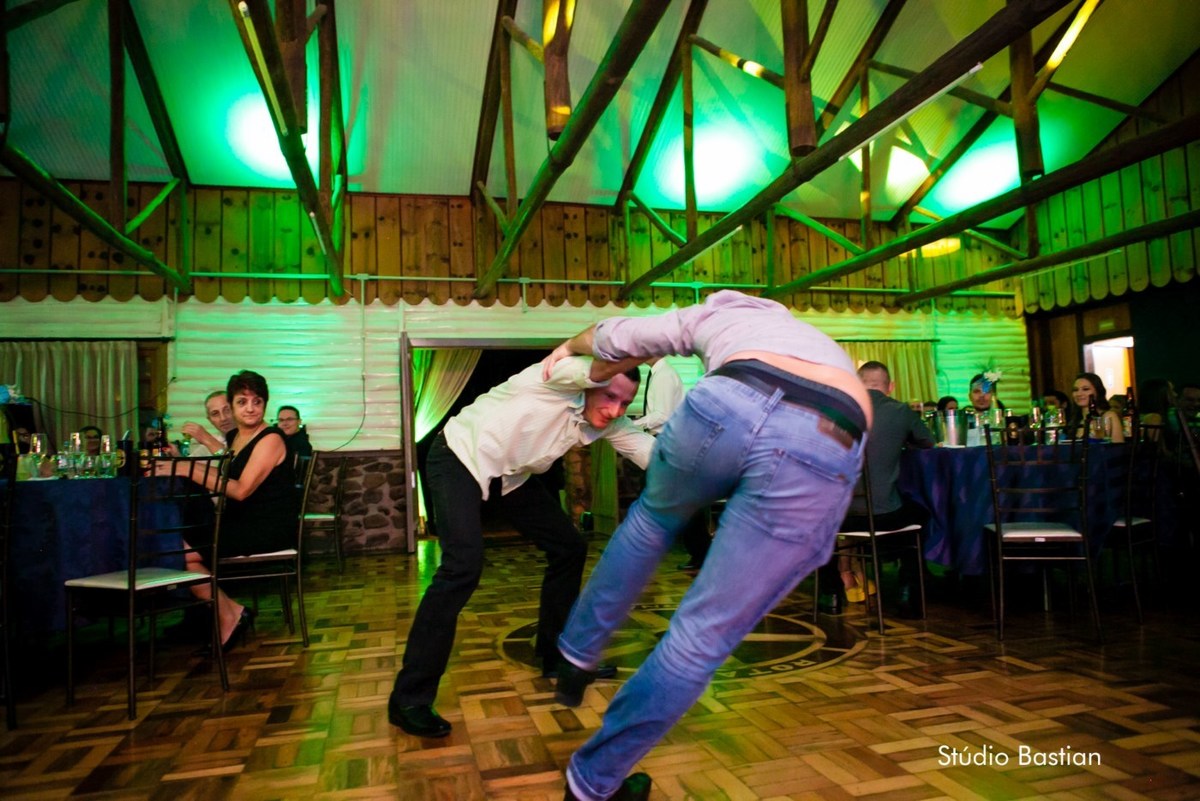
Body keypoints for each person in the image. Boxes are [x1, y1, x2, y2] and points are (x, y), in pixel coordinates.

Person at [543, 290, 870, 801]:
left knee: (651, 521)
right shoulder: (814, 340)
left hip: (727, 401)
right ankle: (590, 782)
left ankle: (576, 654)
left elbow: (615, 335)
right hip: (827, 430)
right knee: (702, 634)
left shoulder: (717, 315)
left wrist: (568, 347)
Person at [387, 355, 655, 739]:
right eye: (610, 396)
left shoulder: (607, 422)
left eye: (625, 402)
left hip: (509, 476)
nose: (615, 410)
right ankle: (409, 699)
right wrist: (647, 341)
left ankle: (554, 656)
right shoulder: (551, 380)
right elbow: (586, 363)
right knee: (462, 567)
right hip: (459, 457)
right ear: (589, 382)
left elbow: (652, 453)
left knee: (569, 547)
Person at [157, 370, 299, 650]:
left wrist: (186, 469)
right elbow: (225, 473)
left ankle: (228, 614)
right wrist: (181, 465)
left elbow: (240, 490)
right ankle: (224, 613)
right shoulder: (238, 436)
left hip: (266, 528)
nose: (250, 408)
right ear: (233, 405)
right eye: (242, 402)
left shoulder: (270, 438)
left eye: (257, 402)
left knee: (181, 553)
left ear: (265, 404)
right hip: (241, 521)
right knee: (178, 540)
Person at [818, 361, 933, 615]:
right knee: (922, 513)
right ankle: (907, 592)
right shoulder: (900, 410)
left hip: (843, 516)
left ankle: (831, 594)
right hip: (885, 515)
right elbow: (928, 442)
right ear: (890, 386)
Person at [629, 358, 710, 571]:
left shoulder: (664, 375)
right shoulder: (659, 373)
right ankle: (701, 554)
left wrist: (632, 425)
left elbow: (661, 415)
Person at [1068, 372, 1125, 443]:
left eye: (1085, 389)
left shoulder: (1108, 416)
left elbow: (1118, 447)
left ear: (1098, 391)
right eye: (1075, 390)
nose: (1079, 394)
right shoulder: (1074, 419)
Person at [179, 391, 237, 456]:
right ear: (210, 420)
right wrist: (176, 455)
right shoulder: (214, 441)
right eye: (215, 413)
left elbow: (230, 460)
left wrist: (206, 438)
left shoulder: (209, 441)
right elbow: (191, 462)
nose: (223, 418)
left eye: (227, 410)